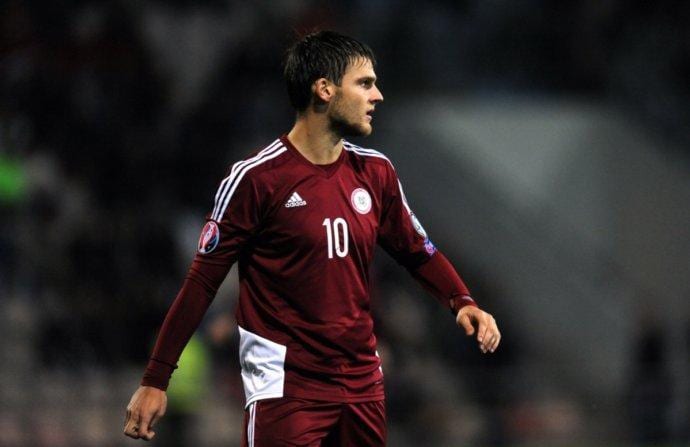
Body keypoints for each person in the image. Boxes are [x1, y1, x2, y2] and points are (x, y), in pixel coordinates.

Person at [123, 30, 500, 446]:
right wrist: (156, 379)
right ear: (324, 89)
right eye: (364, 83)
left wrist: (462, 300)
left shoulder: (376, 173)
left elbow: (418, 251)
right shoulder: (256, 179)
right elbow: (201, 283)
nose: (377, 96)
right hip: (285, 390)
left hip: (362, 386)